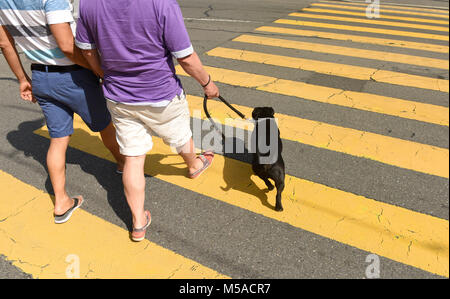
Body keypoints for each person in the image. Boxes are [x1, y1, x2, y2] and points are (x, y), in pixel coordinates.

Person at [75, 0, 220, 242]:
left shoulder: (89, 3)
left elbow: (87, 50)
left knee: (133, 157)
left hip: (119, 96)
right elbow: (185, 57)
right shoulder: (161, 3)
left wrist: (103, 74)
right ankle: (194, 166)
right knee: (181, 135)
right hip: (161, 94)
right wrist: (208, 83)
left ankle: (138, 223)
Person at [0, 0, 124, 224]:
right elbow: (67, 46)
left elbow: (5, 44)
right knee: (104, 125)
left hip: (40, 76)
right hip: (73, 76)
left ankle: (61, 202)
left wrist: (22, 79)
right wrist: (97, 69)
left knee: (58, 139)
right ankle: (123, 164)